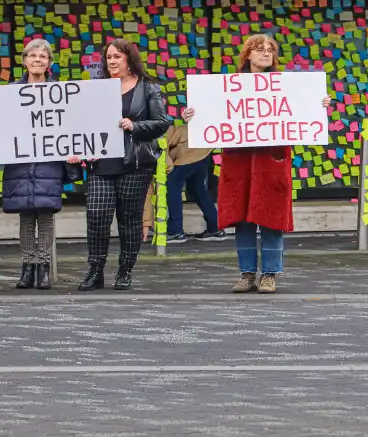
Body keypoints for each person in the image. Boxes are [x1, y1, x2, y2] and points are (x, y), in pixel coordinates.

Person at [181, 34, 330, 294]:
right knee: (242, 218)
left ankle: (270, 274)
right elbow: (210, 115)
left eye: (270, 50)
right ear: (247, 54)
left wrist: (320, 105)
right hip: (238, 163)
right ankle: (247, 273)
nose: (265, 54)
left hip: (271, 161)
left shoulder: (286, 86)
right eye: (259, 49)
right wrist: (192, 115)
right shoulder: (228, 87)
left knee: (271, 217)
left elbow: (303, 110)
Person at [0, 38, 82, 290]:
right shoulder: (10, 93)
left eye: (43, 56)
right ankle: (27, 267)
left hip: (48, 162)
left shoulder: (60, 94)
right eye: (33, 56)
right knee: (26, 216)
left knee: (46, 216)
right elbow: (1, 127)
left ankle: (44, 268)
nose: (38, 60)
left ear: (49, 63)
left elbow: (70, 127)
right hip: (20, 165)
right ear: (24, 60)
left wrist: (73, 151)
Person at [78, 38, 170, 291]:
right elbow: (84, 123)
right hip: (102, 163)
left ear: (129, 59)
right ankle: (95, 270)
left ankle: (125, 270)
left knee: (129, 219)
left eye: (117, 56)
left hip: (135, 163)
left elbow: (162, 122)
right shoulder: (97, 88)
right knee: (96, 216)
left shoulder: (147, 88)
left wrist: (135, 126)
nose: (112, 61)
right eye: (109, 57)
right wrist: (81, 149)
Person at [164, 120, 225, 243]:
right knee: (197, 189)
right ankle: (215, 228)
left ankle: (175, 231)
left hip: (187, 152)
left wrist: (168, 164)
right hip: (202, 150)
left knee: (172, 185)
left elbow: (162, 146)